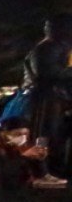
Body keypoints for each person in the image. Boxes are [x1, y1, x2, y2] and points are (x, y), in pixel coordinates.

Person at [22, 14, 72, 178]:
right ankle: (42, 169)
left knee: (53, 135)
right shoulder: (46, 48)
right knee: (44, 135)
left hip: (55, 98)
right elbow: (45, 72)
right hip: (46, 99)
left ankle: (49, 168)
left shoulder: (56, 47)